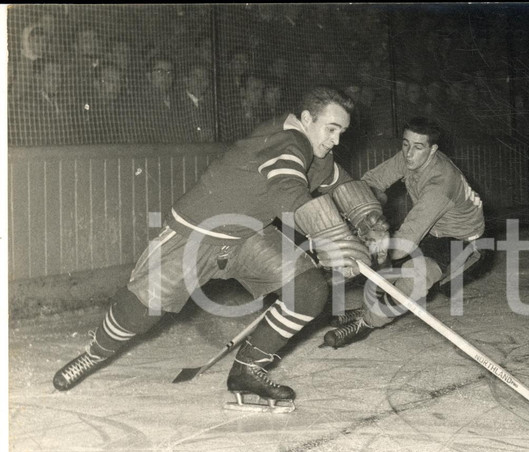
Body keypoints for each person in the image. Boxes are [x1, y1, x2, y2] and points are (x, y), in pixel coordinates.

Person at [52, 87, 390, 413]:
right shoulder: (288, 141)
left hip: (246, 237)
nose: (336, 139)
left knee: (308, 289)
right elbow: (289, 191)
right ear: (305, 118)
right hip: (195, 236)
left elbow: (343, 184)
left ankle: (247, 370)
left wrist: (371, 222)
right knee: (138, 313)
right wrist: (339, 242)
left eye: (341, 131)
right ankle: (94, 353)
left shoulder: (316, 152)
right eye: (331, 129)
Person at [323, 116, 486, 348]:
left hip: (463, 242)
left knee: (413, 272)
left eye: (418, 147)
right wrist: (352, 212)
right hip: (435, 230)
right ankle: (369, 308)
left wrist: (361, 242)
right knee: (382, 249)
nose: (409, 153)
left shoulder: (441, 184)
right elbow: (370, 183)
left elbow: (402, 247)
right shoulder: (408, 157)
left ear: (433, 150)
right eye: (405, 143)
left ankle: (367, 322)